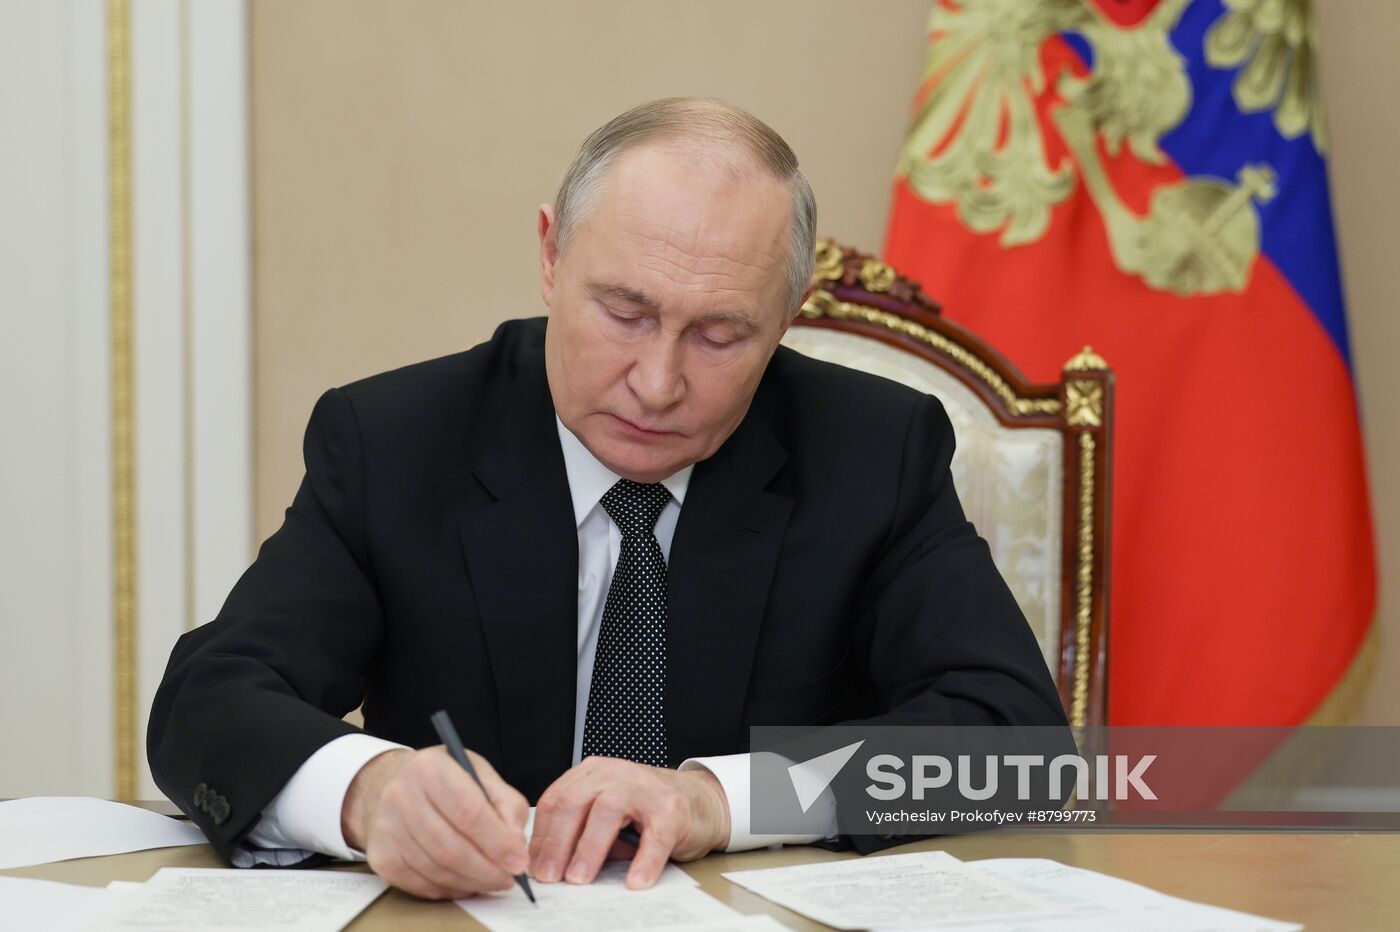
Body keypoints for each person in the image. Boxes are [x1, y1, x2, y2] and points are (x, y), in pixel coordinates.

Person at [148, 97, 1066, 901]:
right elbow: (208, 699)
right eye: (624, 313)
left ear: (785, 321)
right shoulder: (397, 440)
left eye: (719, 335)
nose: (658, 383)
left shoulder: (875, 451)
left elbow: (1016, 751)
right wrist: (368, 790)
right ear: (551, 255)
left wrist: (718, 798)